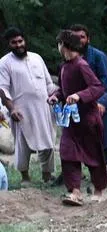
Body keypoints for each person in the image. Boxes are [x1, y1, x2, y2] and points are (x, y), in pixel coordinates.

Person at [51, 30, 107, 206]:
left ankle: (99, 189)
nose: (58, 48)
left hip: (87, 120)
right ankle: (75, 191)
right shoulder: (64, 67)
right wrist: (55, 96)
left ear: (65, 45)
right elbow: (63, 89)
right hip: (70, 122)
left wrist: (79, 95)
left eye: (59, 44)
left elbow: (98, 87)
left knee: (93, 155)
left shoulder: (81, 65)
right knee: (67, 153)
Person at [70, 25, 107, 189]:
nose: (79, 40)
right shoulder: (71, 59)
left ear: (88, 39)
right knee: (89, 145)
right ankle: (98, 178)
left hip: (101, 106)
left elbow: (106, 85)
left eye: (82, 37)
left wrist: (101, 104)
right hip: (81, 108)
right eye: (75, 37)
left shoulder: (98, 57)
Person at [0, 28, 55, 185]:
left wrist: (55, 97)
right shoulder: (4, 63)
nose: (18, 45)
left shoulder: (37, 58)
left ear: (25, 40)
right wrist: (12, 109)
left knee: (48, 142)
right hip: (20, 111)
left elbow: (48, 83)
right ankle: (25, 177)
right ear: (8, 44)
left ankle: (47, 175)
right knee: (22, 145)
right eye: (14, 42)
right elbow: (2, 89)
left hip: (43, 108)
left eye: (20, 41)